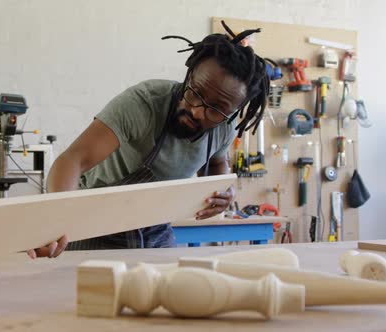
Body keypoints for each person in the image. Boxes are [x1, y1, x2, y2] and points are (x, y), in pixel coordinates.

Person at [27, 23, 269, 259]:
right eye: (195, 93)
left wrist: (223, 192)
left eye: (215, 109)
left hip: (156, 232)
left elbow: (217, 165)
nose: (197, 111)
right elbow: (73, 159)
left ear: (233, 112)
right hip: (94, 229)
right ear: (189, 76)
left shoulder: (224, 126)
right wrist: (57, 219)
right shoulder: (144, 104)